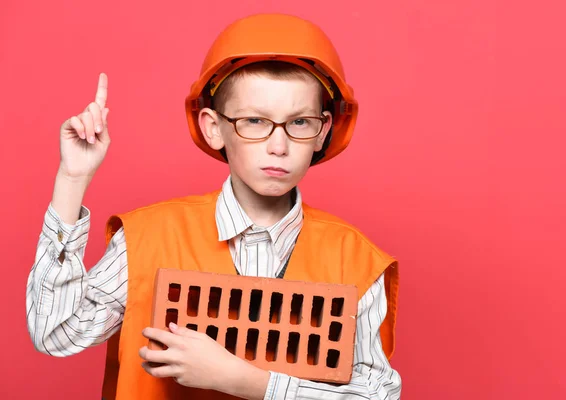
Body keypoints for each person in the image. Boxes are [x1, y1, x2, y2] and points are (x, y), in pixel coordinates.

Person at [26, 13, 401, 400]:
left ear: (322, 131)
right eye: (254, 120)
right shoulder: (147, 240)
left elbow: (377, 394)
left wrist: (246, 381)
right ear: (213, 127)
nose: (278, 145)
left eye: (299, 122)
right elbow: (56, 333)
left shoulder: (354, 259)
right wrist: (72, 179)